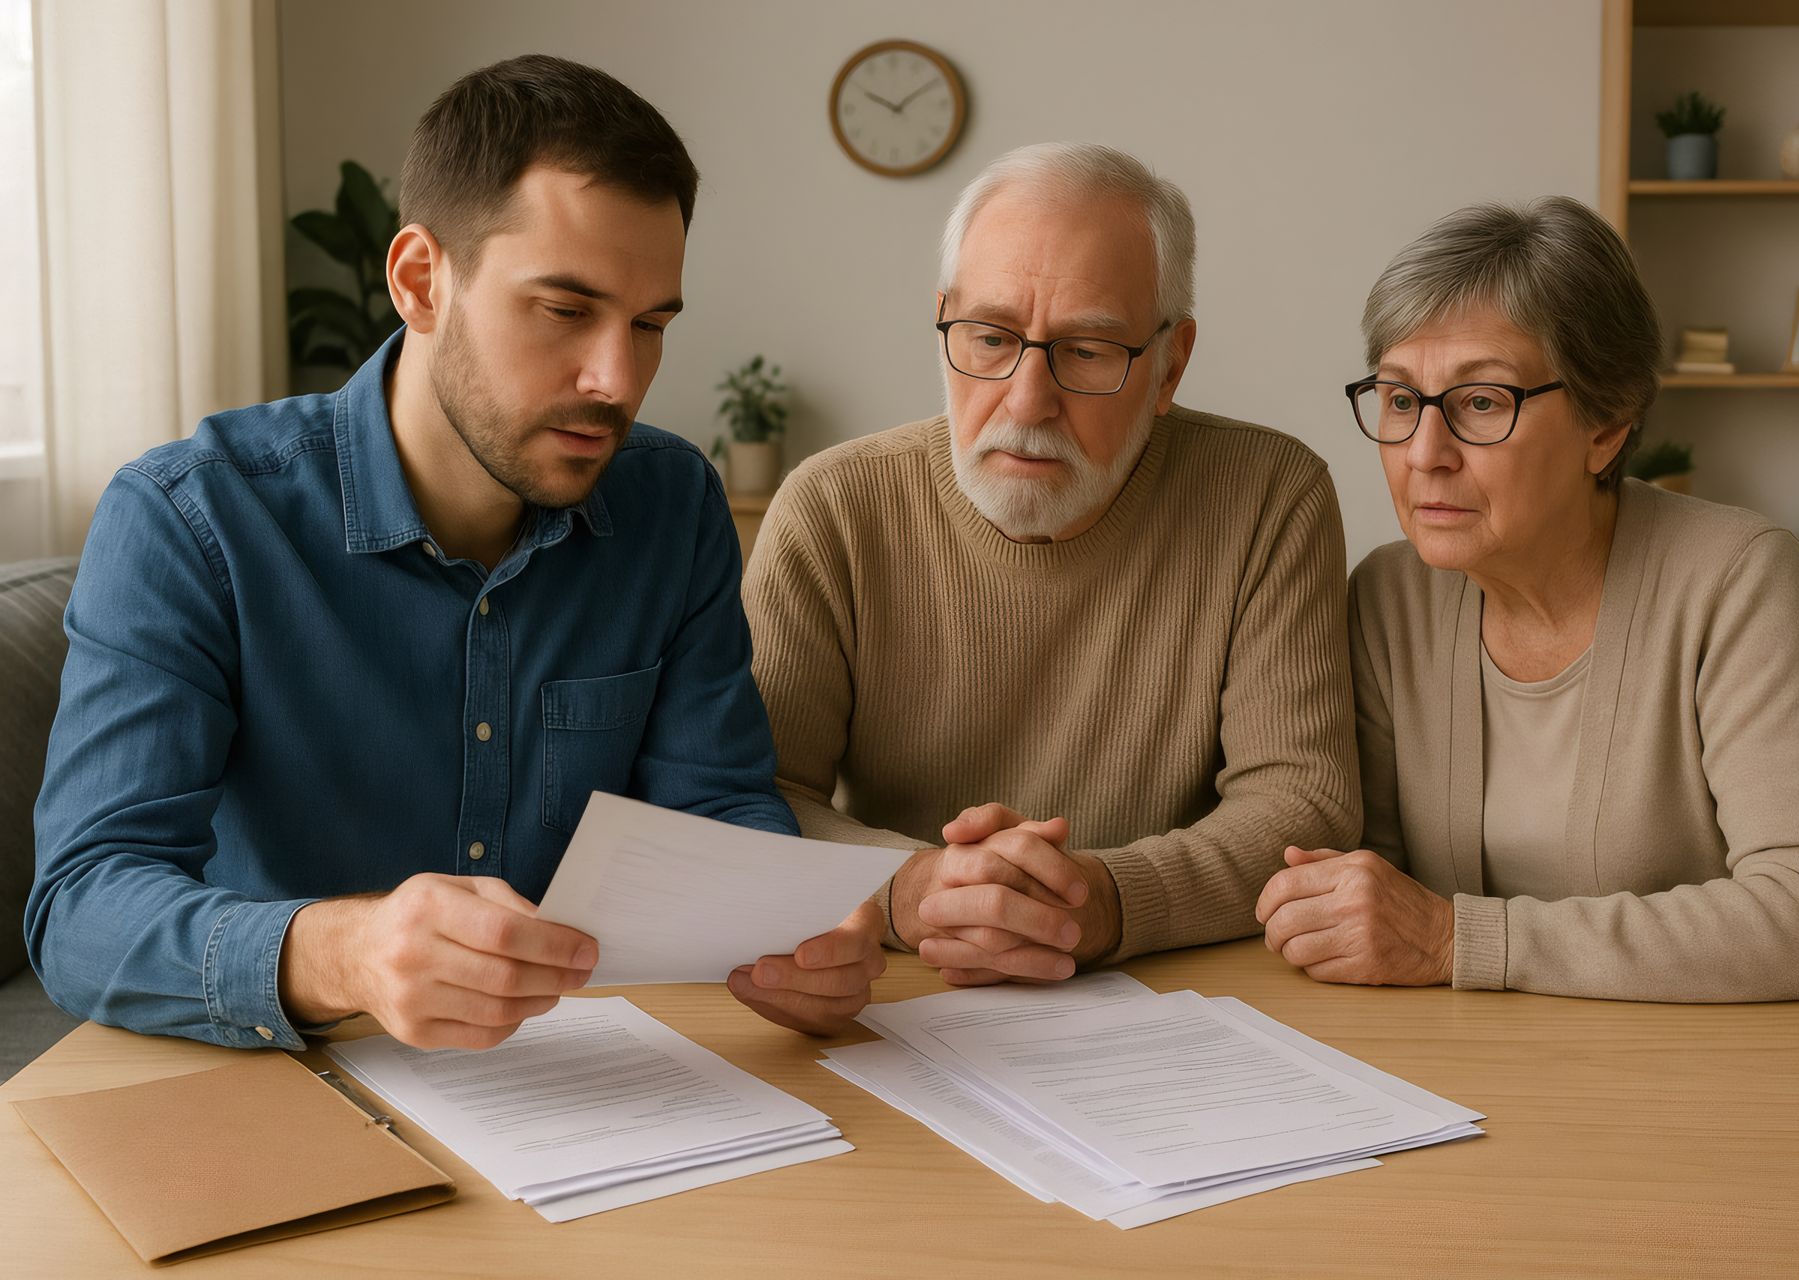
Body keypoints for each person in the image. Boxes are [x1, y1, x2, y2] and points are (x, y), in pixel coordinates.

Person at [29, 55, 884, 1052]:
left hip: (605, 1080)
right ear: (420, 280)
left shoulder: (672, 500)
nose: (617, 378)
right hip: (287, 1085)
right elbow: (84, 905)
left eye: (650, 324)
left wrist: (794, 925)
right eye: (566, 311)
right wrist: (341, 951)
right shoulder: (191, 517)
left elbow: (716, 799)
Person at [1255, 196, 1799, 1073]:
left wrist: (1466, 941)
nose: (1424, 452)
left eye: (1482, 402)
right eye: (1400, 398)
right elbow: (1380, 895)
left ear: (1606, 426)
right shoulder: (1388, 596)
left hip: (1768, 1090)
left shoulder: (1736, 575)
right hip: (1527, 1078)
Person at [743, 143, 1360, 986]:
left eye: (1088, 351)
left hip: (1180, 992)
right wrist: (913, 889)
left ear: (1169, 365)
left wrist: (1109, 899)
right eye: (990, 338)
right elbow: (753, 793)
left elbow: (1302, 804)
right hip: (897, 989)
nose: (1028, 400)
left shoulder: (1269, 496)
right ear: (942, 320)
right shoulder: (832, 508)